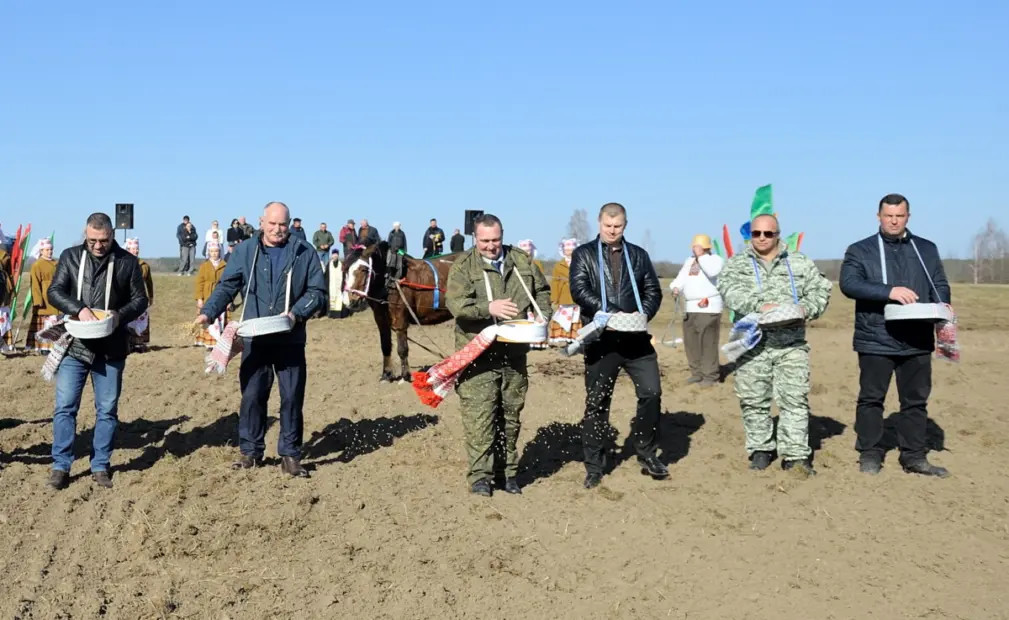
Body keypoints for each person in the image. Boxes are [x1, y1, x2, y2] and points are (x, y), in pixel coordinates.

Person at [195, 202, 327, 478]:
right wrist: (208, 312)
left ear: (290, 225)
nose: (278, 230)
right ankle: (250, 452)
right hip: (255, 337)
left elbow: (317, 291)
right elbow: (228, 286)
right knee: (253, 396)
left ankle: (290, 455)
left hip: (290, 338)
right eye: (272, 224)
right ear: (261, 222)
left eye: (283, 225)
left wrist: (297, 313)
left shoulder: (304, 252)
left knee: (292, 397)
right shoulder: (245, 251)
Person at [839, 193, 951, 477]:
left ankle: (913, 456)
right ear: (878, 216)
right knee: (871, 399)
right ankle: (870, 453)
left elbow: (938, 283)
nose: (893, 220)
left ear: (908, 217)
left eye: (899, 216)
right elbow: (849, 284)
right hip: (876, 337)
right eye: (888, 215)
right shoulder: (860, 250)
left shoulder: (925, 249)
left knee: (915, 401)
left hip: (917, 339)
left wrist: (942, 306)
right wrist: (888, 291)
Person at [446, 214, 552, 496]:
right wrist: (487, 308)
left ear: (503, 236)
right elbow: (456, 304)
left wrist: (543, 317)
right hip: (477, 356)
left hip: (514, 355)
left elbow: (542, 290)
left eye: (496, 240)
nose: (491, 246)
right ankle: (480, 477)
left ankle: (508, 473)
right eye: (485, 241)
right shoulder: (463, 267)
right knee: (480, 416)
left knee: (510, 415)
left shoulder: (521, 261)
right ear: (475, 238)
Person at [717, 214, 832, 475]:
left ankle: (795, 456)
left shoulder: (799, 262)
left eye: (768, 234)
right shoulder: (737, 263)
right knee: (753, 399)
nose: (761, 238)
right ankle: (760, 449)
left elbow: (820, 290)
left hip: (790, 343)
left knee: (794, 400)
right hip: (750, 342)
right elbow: (729, 290)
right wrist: (759, 306)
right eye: (756, 233)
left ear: (778, 234)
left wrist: (805, 309)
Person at [45, 212, 149, 489]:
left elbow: (140, 300)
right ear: (85, 234)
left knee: (107, 409)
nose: (98, 246)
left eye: (103, 240)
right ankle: (61, 465)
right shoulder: (70, 256)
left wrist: (118, 315)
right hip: (75, 346)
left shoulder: (127, 262)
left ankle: (100, 464)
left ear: (112, 235)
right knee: (65, 407)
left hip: (111, 348)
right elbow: (54, 292)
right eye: (92, 240)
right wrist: (78, 309)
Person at [569, 203, 665, 489]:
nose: (613, 231)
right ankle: (595, 466)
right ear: (599, 223)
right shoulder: (584, 254)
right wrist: (608, 312)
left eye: (618, 226)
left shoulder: (638, 255)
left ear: (625, 225)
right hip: (602, 340)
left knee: (652, 392)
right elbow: (579, 288)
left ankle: (647, 453)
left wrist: (642, 314)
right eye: (608, 226)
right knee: (597, 402)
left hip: (636, 340)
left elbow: (653, 291)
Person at [670, 234, 725, 385]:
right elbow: (681, 278)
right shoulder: (689, 261)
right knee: (691, 342)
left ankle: (710, 375)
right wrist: (675, 287)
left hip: (709, 307)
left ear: (705, 248)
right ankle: (697, 372)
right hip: (690, 307)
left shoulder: (715, 260)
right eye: (694, 247)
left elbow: (712, 272)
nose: (695, 250)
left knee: (708, 342)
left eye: (697, 247)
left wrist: (701, 257)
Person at [194, 241, 229, 349]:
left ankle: (218, 341)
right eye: (212, 251)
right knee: (207, 317)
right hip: (207, 294)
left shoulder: (225, 265)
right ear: (208, 252)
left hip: (221, 294)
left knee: (220, 318)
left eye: (216, 251)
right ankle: (207, 341)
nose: (214, 253)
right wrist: (199, 298)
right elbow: (199, 282)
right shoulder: (204, 266)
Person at [26, 238, 59, 353]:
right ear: (41, 251)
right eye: (47, 250)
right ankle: (44, 347)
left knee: (55, 323)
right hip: (45, 299)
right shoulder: (37, 265)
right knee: (45, 324)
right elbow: (35, 284)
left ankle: (55, 345)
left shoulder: (56, 263)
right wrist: (38, 301)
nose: (50, 252)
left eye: (51, 249)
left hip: (56, 296)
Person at [548, 238, 581, 345]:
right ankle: (562, 337)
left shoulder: (580, 263)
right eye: (567, 250)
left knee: (575, 318)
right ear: (563, 250)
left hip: (576, 295)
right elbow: (555, 282)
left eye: (571, 249)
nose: (569, 252)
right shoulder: (559, 265)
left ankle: (574, 337)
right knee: (562, 317)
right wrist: (554, 298)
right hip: (564, 296)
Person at [124, 238, 154, 352]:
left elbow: (149, 282)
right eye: (133, 249)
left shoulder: (144, 266)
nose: (135, 251)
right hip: (127, 298)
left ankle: (140, 343)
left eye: (137, 249)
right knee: (128, 320)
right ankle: (128, 344)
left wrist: (151, 296)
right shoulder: (124, 263)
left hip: (141, 297)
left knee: (141, 319)